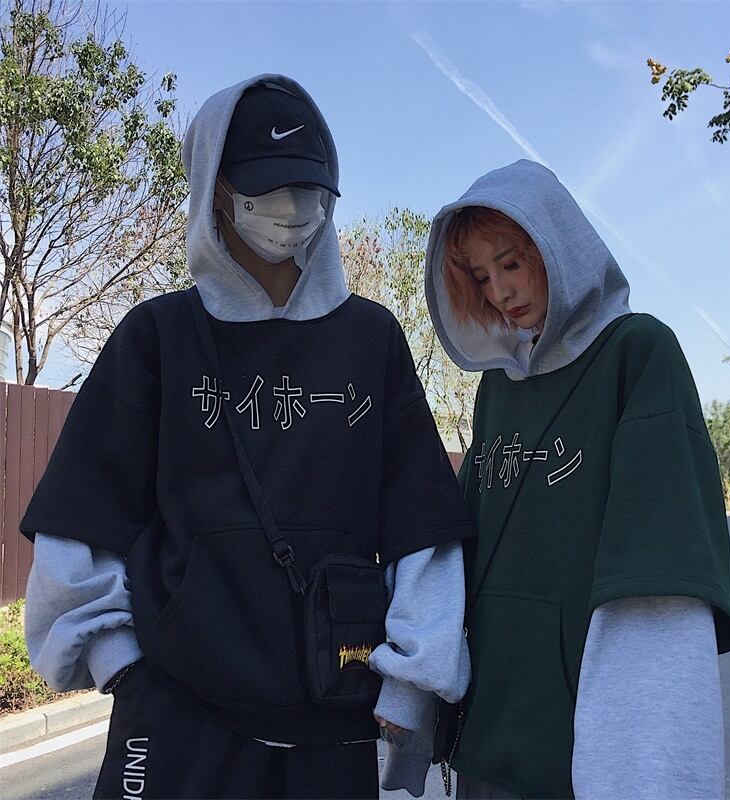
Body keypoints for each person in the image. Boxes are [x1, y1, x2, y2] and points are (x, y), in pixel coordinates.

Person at [20, 74, 472, 800]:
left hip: (334, 717)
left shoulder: (371, 340)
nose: (291, 207)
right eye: (268, 185)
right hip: (177, 713)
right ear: (216, 189)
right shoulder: (158, 338)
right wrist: (118, 663)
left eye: (307, 186)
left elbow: (423, 527)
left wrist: (410, 684)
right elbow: (82, 514)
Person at [410, 159, 730, 799]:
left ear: (556, 244)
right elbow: (461, 538)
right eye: (481, 276)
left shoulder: (637, 352)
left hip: (586, 740)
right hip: (487, 725)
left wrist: (649, 763)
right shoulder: (497, 388)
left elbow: (660, 564)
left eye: (511, 263)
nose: (500, 291)